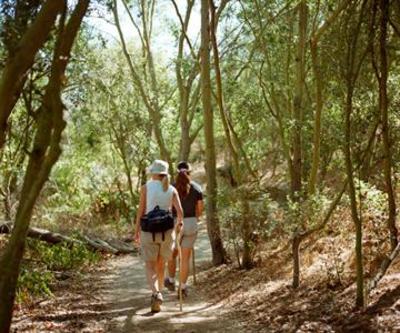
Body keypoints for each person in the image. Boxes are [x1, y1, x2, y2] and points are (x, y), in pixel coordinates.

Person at [134, 159, 184, 313]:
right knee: (161, 262)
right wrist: (178, 226)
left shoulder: (145, 188)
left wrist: (136, 230)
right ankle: (160, 290)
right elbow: (180, 214)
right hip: (166, 232)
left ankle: (156, 293)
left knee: (150, 265)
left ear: (153, 173)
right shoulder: (171, 189)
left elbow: (141, 210)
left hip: (149, 231)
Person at [165, 161, 204, 297]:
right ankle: (182, 288)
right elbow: (199, 209)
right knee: (185, 258)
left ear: (177, 173)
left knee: (172, 254)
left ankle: (170, 280)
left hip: (176, 224)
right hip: (191, 223)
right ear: (190, 172)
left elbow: (168, 208)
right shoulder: (197, 188)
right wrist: (195, 218)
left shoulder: (171, 188)